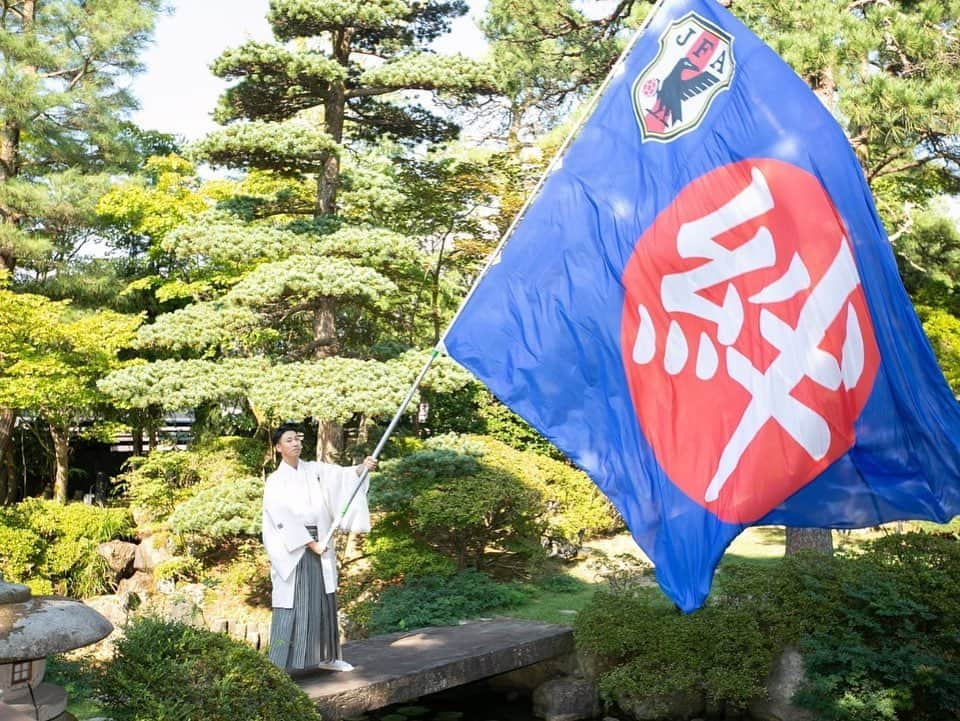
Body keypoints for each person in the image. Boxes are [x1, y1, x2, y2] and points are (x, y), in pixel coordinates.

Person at [261, 423, 377, 673]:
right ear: (279, 447)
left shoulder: (313, 470)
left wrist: (361, 469)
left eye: (297, 439)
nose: (295, 443)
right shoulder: (275, 481)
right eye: (289, 440)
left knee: (324, 600)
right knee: (295, 602)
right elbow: (280, 517)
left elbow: (341, 477)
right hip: (295, 547)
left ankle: (328, 657)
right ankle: (278, 667)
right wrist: (310, 543)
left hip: (320, 541)